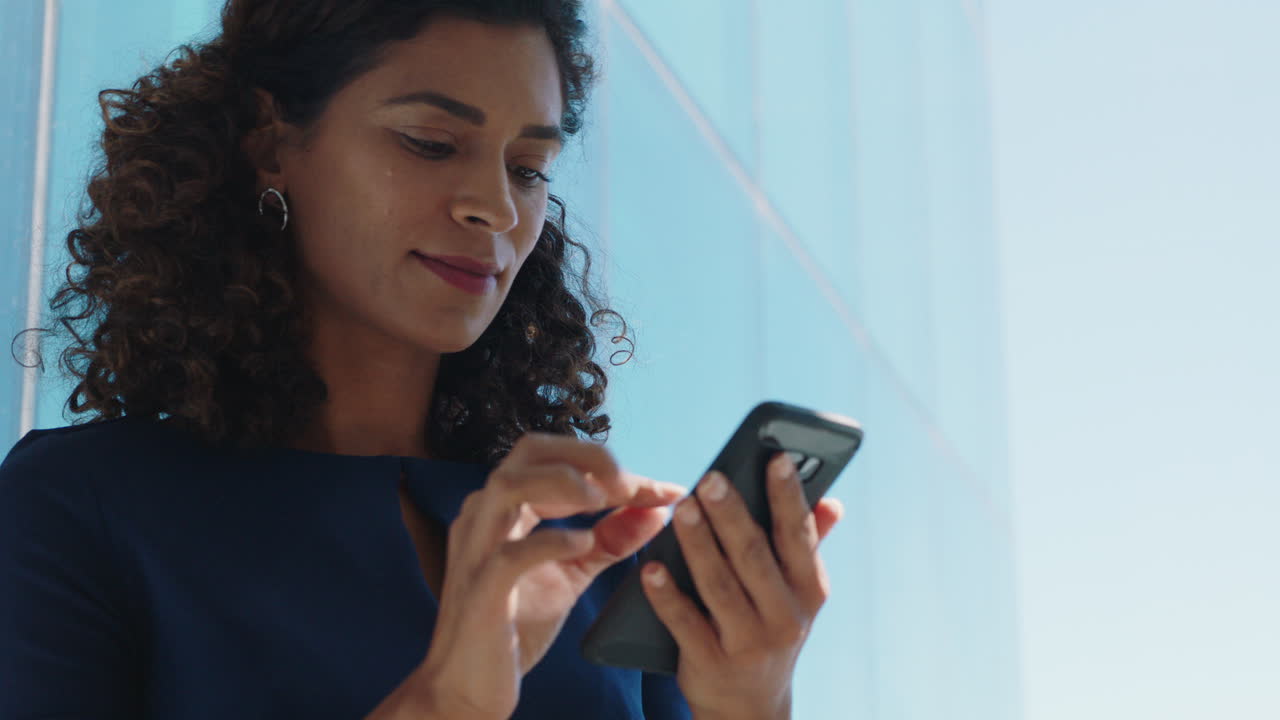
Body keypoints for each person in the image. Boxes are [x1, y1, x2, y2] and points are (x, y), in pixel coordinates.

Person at [0, 1, 843, 718]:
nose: (496, 209)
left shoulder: (597, 557)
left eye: (528, 168)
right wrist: (445, 704)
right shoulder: (85, 509)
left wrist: (747, 701)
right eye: (431, 143)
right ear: (270, 143)